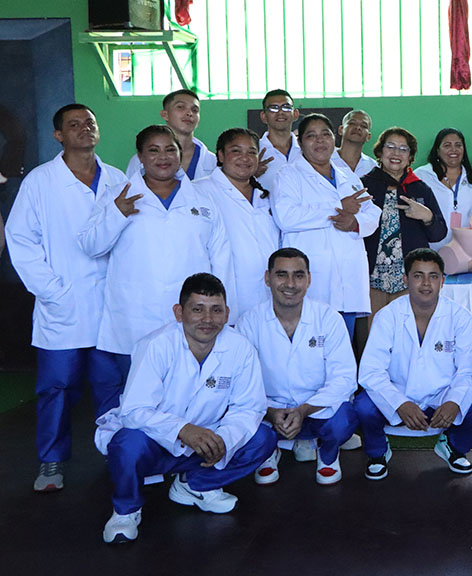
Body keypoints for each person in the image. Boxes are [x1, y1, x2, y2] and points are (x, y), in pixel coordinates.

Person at [95, 273, 276, 544]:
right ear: (179, 312)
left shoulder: (241, 348)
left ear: (227, 314)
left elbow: (249, 407)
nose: (207, 319)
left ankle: (195, 485)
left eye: (216, 310)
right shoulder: (156, 345)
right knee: (127, 443)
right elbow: (134, 411)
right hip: (155, 442)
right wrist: (183, 430)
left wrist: (223, 439)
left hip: (205, 443)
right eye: (197, 309)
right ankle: (126, 510)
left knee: (263, 438)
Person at [6, 104, 128, 492]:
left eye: (89, 122)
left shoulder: (118, 179)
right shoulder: (41, 181)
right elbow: (21, 240)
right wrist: (53, 291)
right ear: (58, 135)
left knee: (112, 387)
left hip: (110, 306)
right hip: (63, 305)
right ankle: (51, 461)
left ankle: (117, 455)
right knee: (56, 388)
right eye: (74, 125)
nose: (84, 128)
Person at [79, 125, 233, 389]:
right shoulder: (116, 195)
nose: (163, 157)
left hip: (191, 315)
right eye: (153, 150)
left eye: (170, 149)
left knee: (186, 392)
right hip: (135, 316)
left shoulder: (203, 199)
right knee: (136, 394)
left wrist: (223, 312)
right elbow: (91, 246)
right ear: (140, 156)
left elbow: (221, 259)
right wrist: (116, 214)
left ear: (180, 153)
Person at [353, 249, 472, 479]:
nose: (426, 283)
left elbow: (467, 370)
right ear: (405, 280)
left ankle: (453, 446)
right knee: (363, 406)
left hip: (441, 396)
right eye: (418, 276)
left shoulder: (460, 317)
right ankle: (378, 452)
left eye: (433, 276)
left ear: (442, 281)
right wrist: (399, 403)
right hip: (399, 393)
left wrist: (454, 401)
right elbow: (371, 371)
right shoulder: (388, 316)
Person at [237, 248, 359, 485]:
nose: (290, 284)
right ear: (267, 278)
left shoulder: (328, 318)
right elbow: (241, 384)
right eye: (281, 274)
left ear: (309, 279)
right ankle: (268, 450)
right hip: (269, 411)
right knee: (241, 421)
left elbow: (344, 377)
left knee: (345, 418)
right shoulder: (249, 322)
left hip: (316, 409)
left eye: (298, 275)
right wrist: (270, 412)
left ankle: (327, 452)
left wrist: (304, 410)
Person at [272, 113, 381, 343]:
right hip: (316, 276)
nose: (319, 140)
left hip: (348, 276)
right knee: (311, 345)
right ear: (300, 142)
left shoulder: (346, 175)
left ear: (334, 139)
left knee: (342, 349)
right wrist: (338, 207)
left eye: (325, 134)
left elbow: (372, 212)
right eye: (311, 136)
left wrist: (355, 223)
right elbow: (286, 217)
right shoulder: (288, 175)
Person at [194, 128, 279, 320]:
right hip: (225, 297)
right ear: (221, 155)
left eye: (251, 152)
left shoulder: (265, 196)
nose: (245, 158)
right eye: (236, 151)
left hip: (269, 298)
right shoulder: (200, 190)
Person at [361, 127, 448, 317]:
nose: (396, 153)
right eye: (390, 147)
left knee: (409, 328)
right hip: (370, 278)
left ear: (410, 157)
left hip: (409, 279)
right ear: (380, 152)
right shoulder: (364, 185)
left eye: (403, 149)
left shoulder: (420, 188)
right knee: (373, 330)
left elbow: (439, 233)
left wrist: (427, 216)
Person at [414, 128, 472, 251]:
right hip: (427, 251)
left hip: (465, 252)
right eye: (447, 145)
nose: (453, 149)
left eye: (458, 145)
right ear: (437, 150)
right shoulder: (421, 176)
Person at [125, 89, 216, 181]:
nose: (189, 113)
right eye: (180, 107)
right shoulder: (139, 161)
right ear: (165, 115)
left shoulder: (214, 162)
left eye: (195, 110)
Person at [255, 89, 301, 187]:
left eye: (286, 107)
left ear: (295, 114)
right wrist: (250, 174)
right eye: (273, 108)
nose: (280, 112)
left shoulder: (307, 150)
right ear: (264, 116)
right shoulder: (254, 152)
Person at [333, 109, 377, 179]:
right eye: (352, 123)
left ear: (368, 137)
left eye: (363, 126)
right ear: (341, 129)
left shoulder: (373, 167)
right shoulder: (325, 159)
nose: (358, 128)